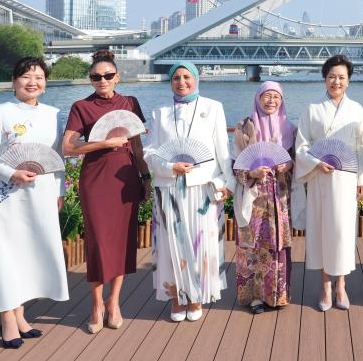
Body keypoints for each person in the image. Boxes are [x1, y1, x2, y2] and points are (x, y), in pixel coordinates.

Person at [0, 57, 68, 349]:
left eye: (39, 77)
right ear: (14, 81)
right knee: (5, 256)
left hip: (41, 195)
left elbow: (58, 159)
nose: (32, 82)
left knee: (29, 256)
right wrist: (10, 172)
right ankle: (7, 319)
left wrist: (60, 191)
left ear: (46, 83)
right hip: (7, 196)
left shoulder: (54, 114)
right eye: (26, 76)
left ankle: (20, 315)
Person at [62, 50, 149, 333]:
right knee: (97, 242)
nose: (103, 81)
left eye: (108, 75)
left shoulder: (130, 103)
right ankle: (96, 303)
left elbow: (137, 145)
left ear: (117, 77)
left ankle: (114, 302)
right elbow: (68, 147)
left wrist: (145, 177)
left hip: (126, 177)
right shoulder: (81, 107)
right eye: (96, 77)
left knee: (123, 240)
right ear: (90, 79)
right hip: (96, 179)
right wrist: (103, 144)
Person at [144, 61, 234, 322]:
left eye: (187, 77)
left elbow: (222, 149)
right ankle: (175, 296)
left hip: (202, 188)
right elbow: (149, 151)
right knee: (170, 243)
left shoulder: (213, 107)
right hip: (169, 187)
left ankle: (195, 297)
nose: (181, 82)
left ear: (196, 79)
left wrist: (227, 183)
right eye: (176, 78)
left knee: (200, 243)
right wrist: (169, 167)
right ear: (170, 81)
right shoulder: (159, 112)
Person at [295, 54, 363, 312]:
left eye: (341, 77)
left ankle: (341, 285)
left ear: (348, 81)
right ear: (324, 79)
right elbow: (301, 146)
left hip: (346, 178)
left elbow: (361, 148)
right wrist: (316, 162)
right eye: (331, 77)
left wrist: (362, 179)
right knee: (321, 230)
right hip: (320, 177)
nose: (336, 82)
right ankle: (325, 285)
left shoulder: (356, 109)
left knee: (343, 232)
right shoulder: (312, 109)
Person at [232, 81, 295, 313]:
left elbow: (296, 161)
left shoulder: (290, 128)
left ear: (282, 100)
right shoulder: (244, 127)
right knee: (253, 244)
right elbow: (235, 164)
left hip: (279, 196)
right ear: (258, 98)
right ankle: (255, 297)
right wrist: (251, 173)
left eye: (276, 97)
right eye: (267, 96)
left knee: (278, 244)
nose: (271, 101)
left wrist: (289, 165)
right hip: (254, 195)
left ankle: (277, 295)